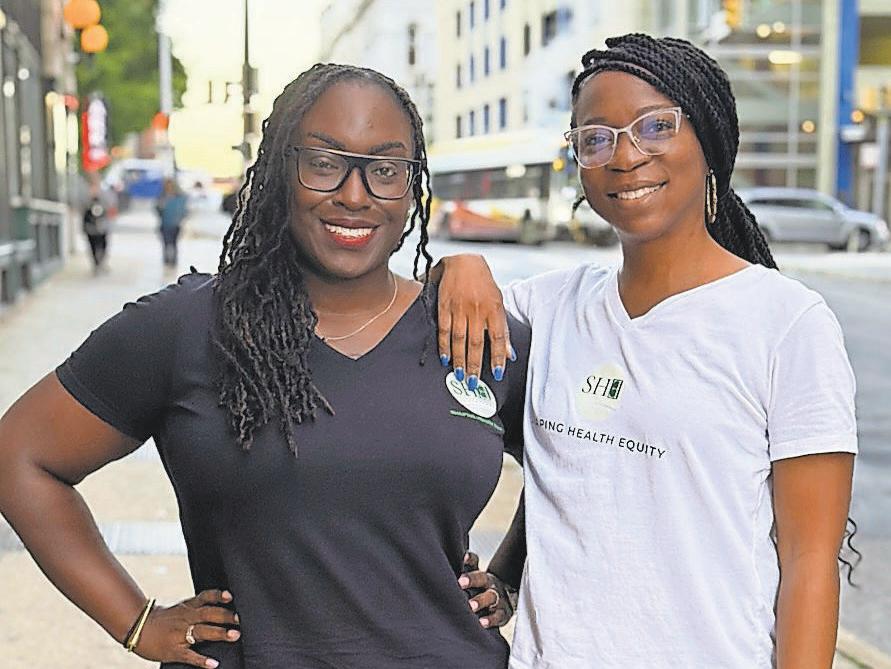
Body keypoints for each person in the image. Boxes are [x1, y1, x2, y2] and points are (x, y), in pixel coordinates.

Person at [0, 64, 528, 669]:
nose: (355, 195)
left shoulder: (473, 331)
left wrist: (507, 576)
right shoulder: (186, 328)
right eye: (324, 163)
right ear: (280, 170)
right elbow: (20, 456)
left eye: (385, 170)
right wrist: (136, 621)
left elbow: (581, 470)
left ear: (412, 186)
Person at [437, 34, 858, 668]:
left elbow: (809, 563)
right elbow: (573, 479)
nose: (625, 155)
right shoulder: (544, 308)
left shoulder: (787, 323)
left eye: (656, 126)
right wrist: (457, 266)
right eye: (596, 138)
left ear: (709, 140)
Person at [158, 178, 189, 267]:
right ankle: (166, 260)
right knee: (166, 243)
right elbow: (158, 210)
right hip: (165, 224)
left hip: (176, 224)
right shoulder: (162, 197)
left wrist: (180, 219)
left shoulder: (180, 198)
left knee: (174, 243)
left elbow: (184, 211)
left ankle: (173, 260)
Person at [83, 193, 111, 273]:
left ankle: (100, 263)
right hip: (92, 232)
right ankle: (97, 264)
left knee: (102, 247)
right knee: (94, 248)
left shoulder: (102, 209)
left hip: (100, 232)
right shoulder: (88, 210)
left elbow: (106, 220)